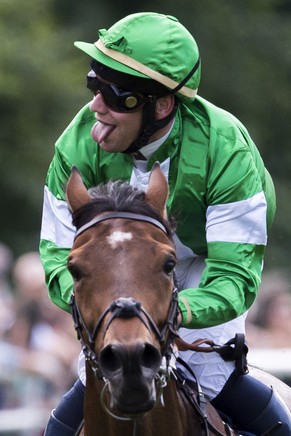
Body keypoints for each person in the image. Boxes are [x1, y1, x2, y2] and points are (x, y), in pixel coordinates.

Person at [39, 12, 291, 435]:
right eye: (93, 85)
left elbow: (234, 278)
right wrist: (107, 306)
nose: (96, 106)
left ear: (161, 105)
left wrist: (171, 311)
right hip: (113, 274)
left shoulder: (225, 147)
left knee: (213, 374)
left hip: (204, 266)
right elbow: (59, 259)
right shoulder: (77, 143)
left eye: (115, 95)